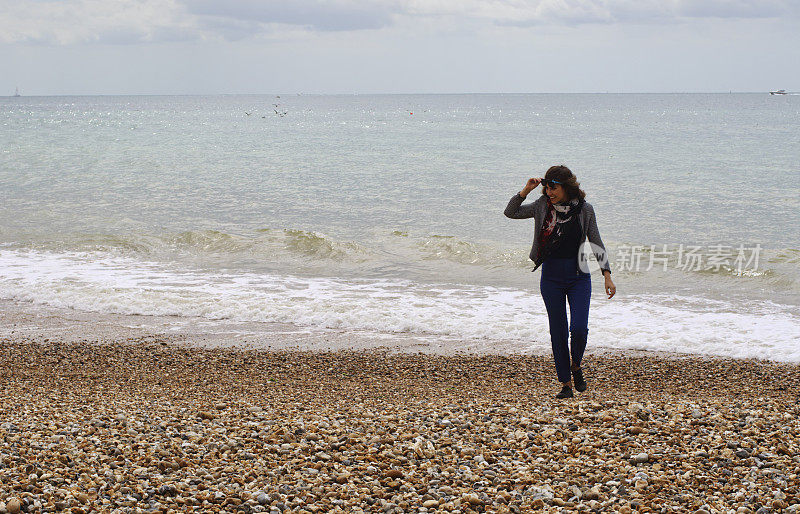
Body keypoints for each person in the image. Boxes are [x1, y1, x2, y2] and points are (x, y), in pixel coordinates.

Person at [504, 165, 616, 399]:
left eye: (553, 187)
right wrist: (526, 190)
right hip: (551, 277)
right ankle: (565, 383)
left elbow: (596, 241)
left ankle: (576, 365)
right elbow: (511, 212)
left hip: (579, 277)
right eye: (546, 187)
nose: (549, 192)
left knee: (579, 329)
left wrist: (607, 274)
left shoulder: (585, 210)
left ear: (567, 187)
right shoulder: (541, 206)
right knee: (558, 332)